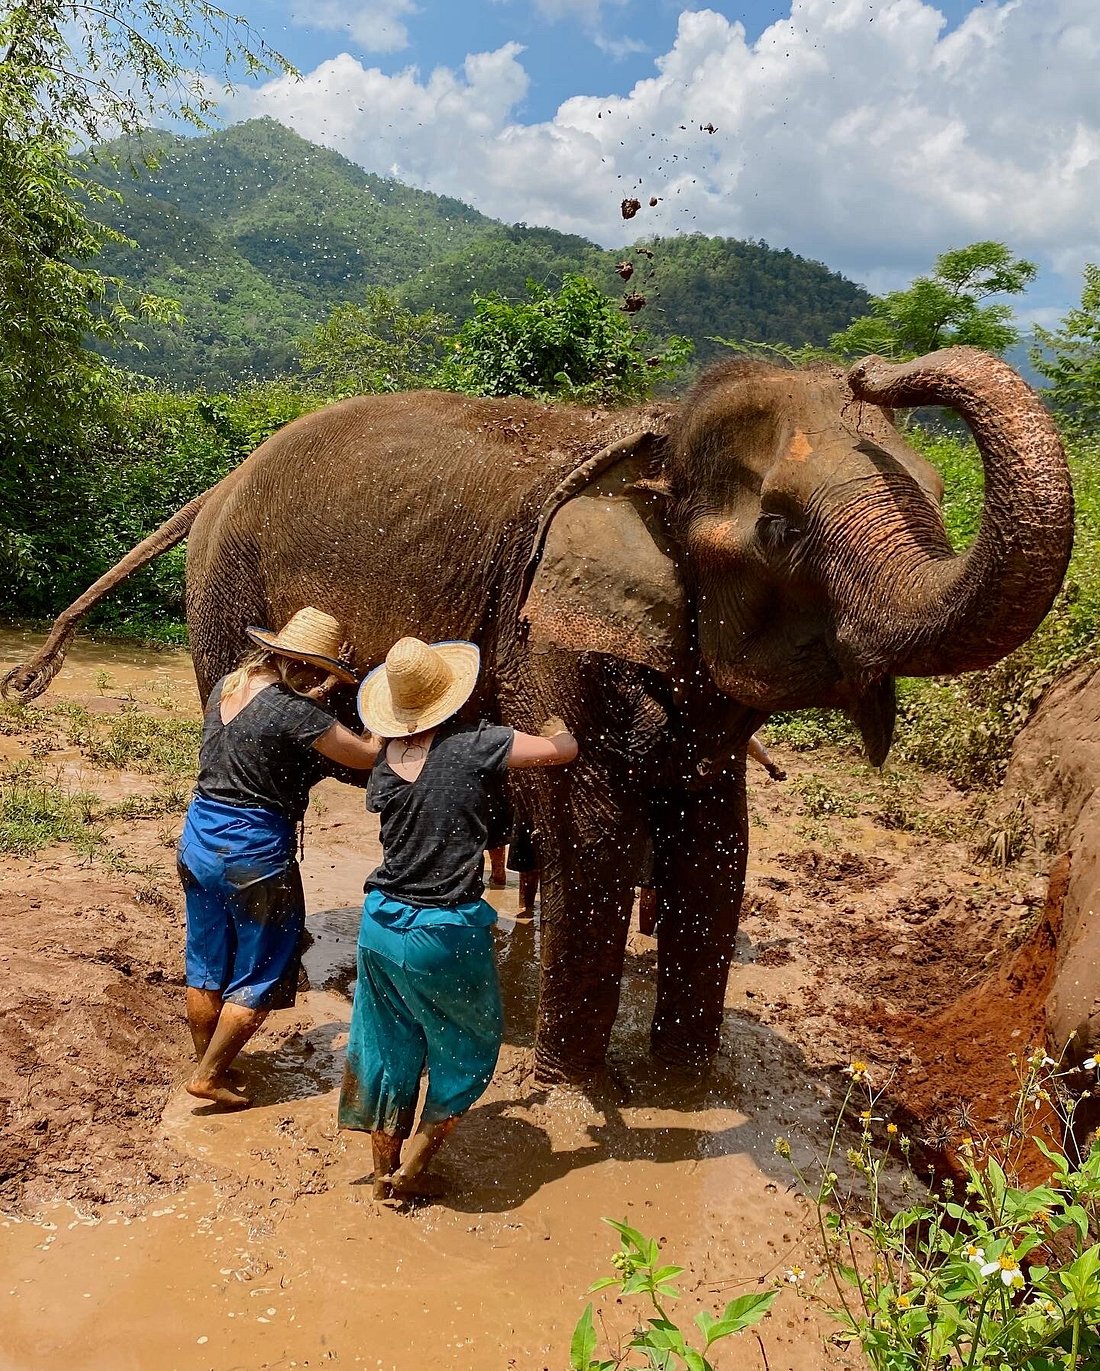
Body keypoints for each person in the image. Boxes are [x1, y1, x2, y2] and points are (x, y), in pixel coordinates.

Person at [338, 636, 578, 1203]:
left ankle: (381, 1177)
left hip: (378, 925)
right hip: (444, 927)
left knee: (388, 1049)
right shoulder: (478, 745)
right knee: (466, 1046)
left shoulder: (384, 759)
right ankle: (415, 1169)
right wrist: (559, 719)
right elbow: (560, 751)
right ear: (452, 697)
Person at [179, 607, 381, 1109]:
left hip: (198, 838)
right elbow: (365, 756)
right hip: (254, 854)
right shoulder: (300, 714)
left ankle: (210, 1058)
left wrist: (311, 700)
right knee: (260, 968)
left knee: (206, 961)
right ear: (306, 666)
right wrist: (383, 722)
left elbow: (260, 732)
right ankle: (207, 1075)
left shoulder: (228, 685)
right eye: (324, 673)